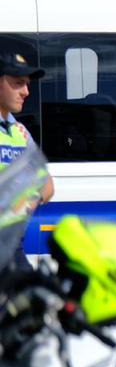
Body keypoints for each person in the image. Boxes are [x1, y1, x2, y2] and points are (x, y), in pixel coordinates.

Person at [0, 49, 54, 269]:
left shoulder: (19, 131)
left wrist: (25, 198)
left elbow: (47, 184)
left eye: (27, 84)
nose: (26, 92)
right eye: (18, 83)